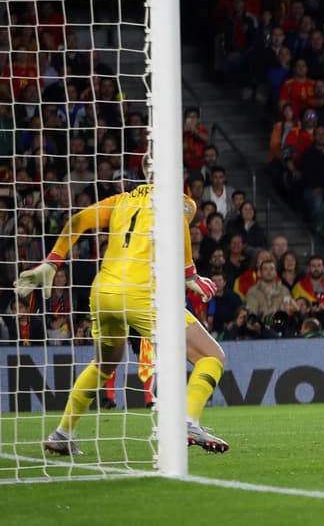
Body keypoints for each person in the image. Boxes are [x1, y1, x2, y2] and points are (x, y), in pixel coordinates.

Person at [18, 186, 229, 455]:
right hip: (141, 293)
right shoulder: (179, 198)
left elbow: (79, 220)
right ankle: (187, 422)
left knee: (103, 364)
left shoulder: (121, 200)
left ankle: (63, 433)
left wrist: (52, 261)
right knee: (212, 356)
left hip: (103, 293)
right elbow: (179, 220)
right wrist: (190, 274)